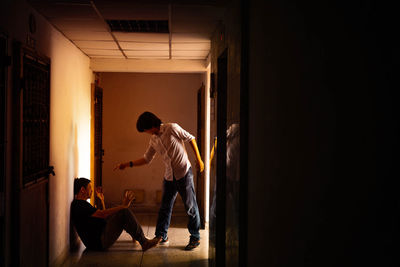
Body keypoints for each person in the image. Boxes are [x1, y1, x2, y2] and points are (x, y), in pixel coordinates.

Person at [114, 111, 204, 250]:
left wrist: (199, 160)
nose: (146, 132)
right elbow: (146, 159)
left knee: (190, 206)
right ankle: (161, 235)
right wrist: (127, 164)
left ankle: (195, 237)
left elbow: (190, 138)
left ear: (151, 125)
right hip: (169, 176)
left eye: (145, 129)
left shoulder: (171, 128)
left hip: (184, 172)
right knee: (165, 207)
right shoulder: (153, 140)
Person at [71, 177, 159, 252]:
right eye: (90, 188)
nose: (92, 191)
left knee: (118, 210)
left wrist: (102, 200)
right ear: (82, 190)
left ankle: (137, 236)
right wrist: (123, 206)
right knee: (123, 211)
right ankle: (144, 242)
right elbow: (102, 215)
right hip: (99, 243)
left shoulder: (81, 204)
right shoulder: (79, 205)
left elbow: (103, 218)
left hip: (99, 239)